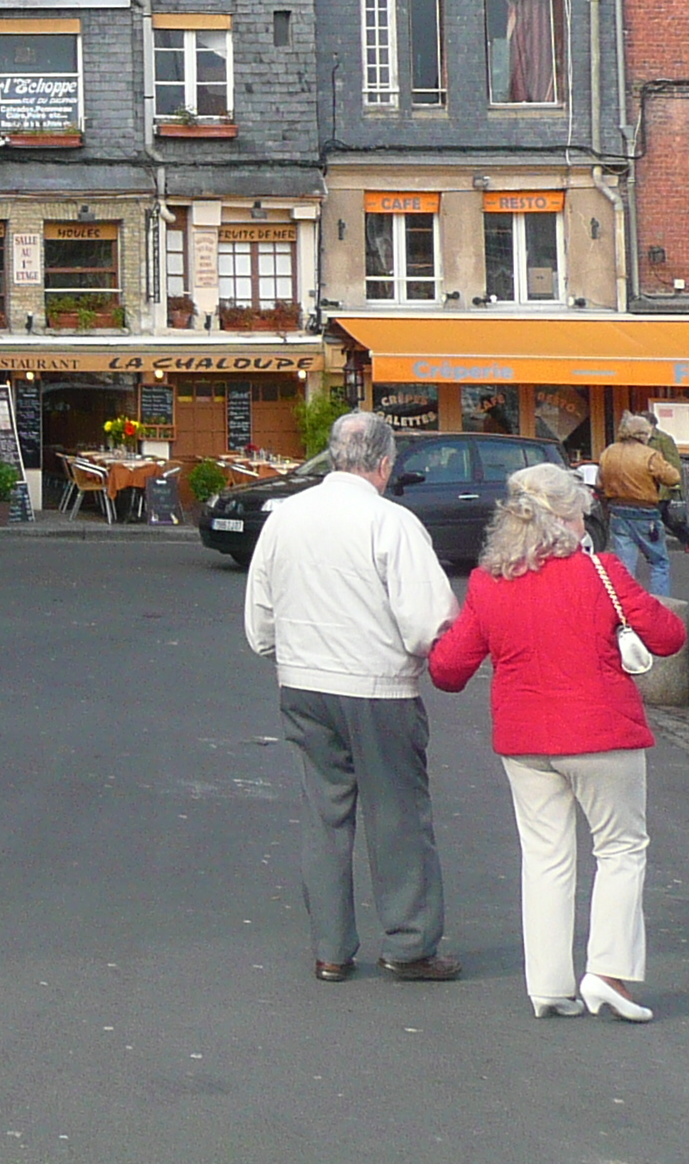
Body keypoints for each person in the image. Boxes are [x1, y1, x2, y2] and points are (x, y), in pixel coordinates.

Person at [430, 464, 686, 1020]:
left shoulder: (487, 583)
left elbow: (448, 670)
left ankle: (548, 985)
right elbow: (669, 636)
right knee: (619, 849)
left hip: (524, 740)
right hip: (601, 734)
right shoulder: (601, 571)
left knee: (544, 857)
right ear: (569, 520)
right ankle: (609, 975)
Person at [244, 408, 460, 983]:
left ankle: (331, 949)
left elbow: (260, 620)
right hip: (376, 687)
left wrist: (287, 653)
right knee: (397, 817)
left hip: (303, 682)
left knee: (324, 815)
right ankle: (409, 943)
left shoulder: (285, 517)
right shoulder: (391, 523)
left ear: (336, 457)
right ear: (384, 463)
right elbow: (426, 622)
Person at [596, 413, 683, 598]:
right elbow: (673, 477)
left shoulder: (609, 452)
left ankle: (625, 604)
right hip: (645, 513)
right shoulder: (649, 455)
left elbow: (599, 483)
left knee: (624, 567)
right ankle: (661, 603)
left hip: (618, 512)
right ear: (643, 434)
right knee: (659, 563)